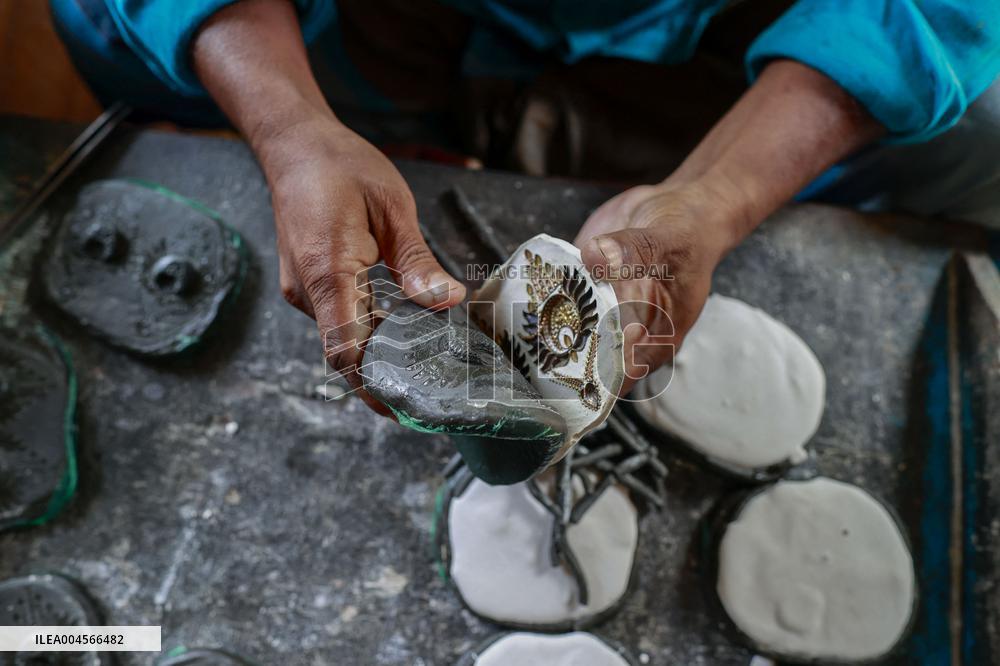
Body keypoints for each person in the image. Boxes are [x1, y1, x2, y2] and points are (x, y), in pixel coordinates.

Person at [51, 0, 1000, 405]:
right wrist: (290, 128)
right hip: (375, 20)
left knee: (974, 136)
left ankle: (553, 126)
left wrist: (717, 194)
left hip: (720, 36)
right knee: (103, 24)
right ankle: (393, 119)